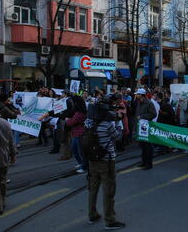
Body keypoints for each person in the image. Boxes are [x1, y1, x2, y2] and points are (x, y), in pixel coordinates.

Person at [85, 99, 125, 229]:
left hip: (92, 160)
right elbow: (118, 136)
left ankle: (92, 214)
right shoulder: (107, 125)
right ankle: (109, 220)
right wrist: (118, 122)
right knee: (109, 189)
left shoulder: (88, 123)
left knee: (93, 188)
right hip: (106, 160)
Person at [133, 89, 157, 170]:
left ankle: (148, 164)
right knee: (142, 146)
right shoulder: (139, 102)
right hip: (140, 127)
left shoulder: (149, 103)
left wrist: (143, 117)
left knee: (148, 147)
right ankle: (143, 162)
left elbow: (153, 114)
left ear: (141, 95)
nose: (136, 95)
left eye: (137, 94)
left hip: (146, 128)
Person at [66, 95, 87, 173]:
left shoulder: (80, 113)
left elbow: (71, 122)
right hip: (76, 132)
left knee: (81, 151)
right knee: (75, 149)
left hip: (80, 133)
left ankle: (84, 166)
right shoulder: (78, 111)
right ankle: (81, 163)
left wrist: (67, 120)